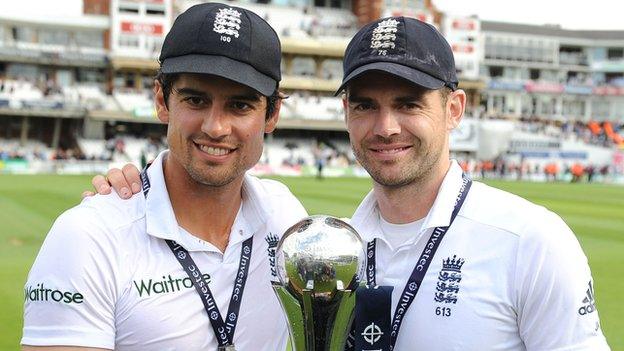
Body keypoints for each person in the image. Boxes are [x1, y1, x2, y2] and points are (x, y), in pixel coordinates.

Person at [89, 16, 610, 351]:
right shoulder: (327, 243)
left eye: (408, 104)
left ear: (454, 109)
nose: (385, 127)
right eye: (366, 105)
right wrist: (132, 191)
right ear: (345, 114)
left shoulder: (530, 241)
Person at [22, 3, 307, 350]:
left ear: (272, 114)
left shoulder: (287, 219)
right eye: (196, 100)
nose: (215, 127)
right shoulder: (88, 237)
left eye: (240, 105)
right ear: (162, 100)